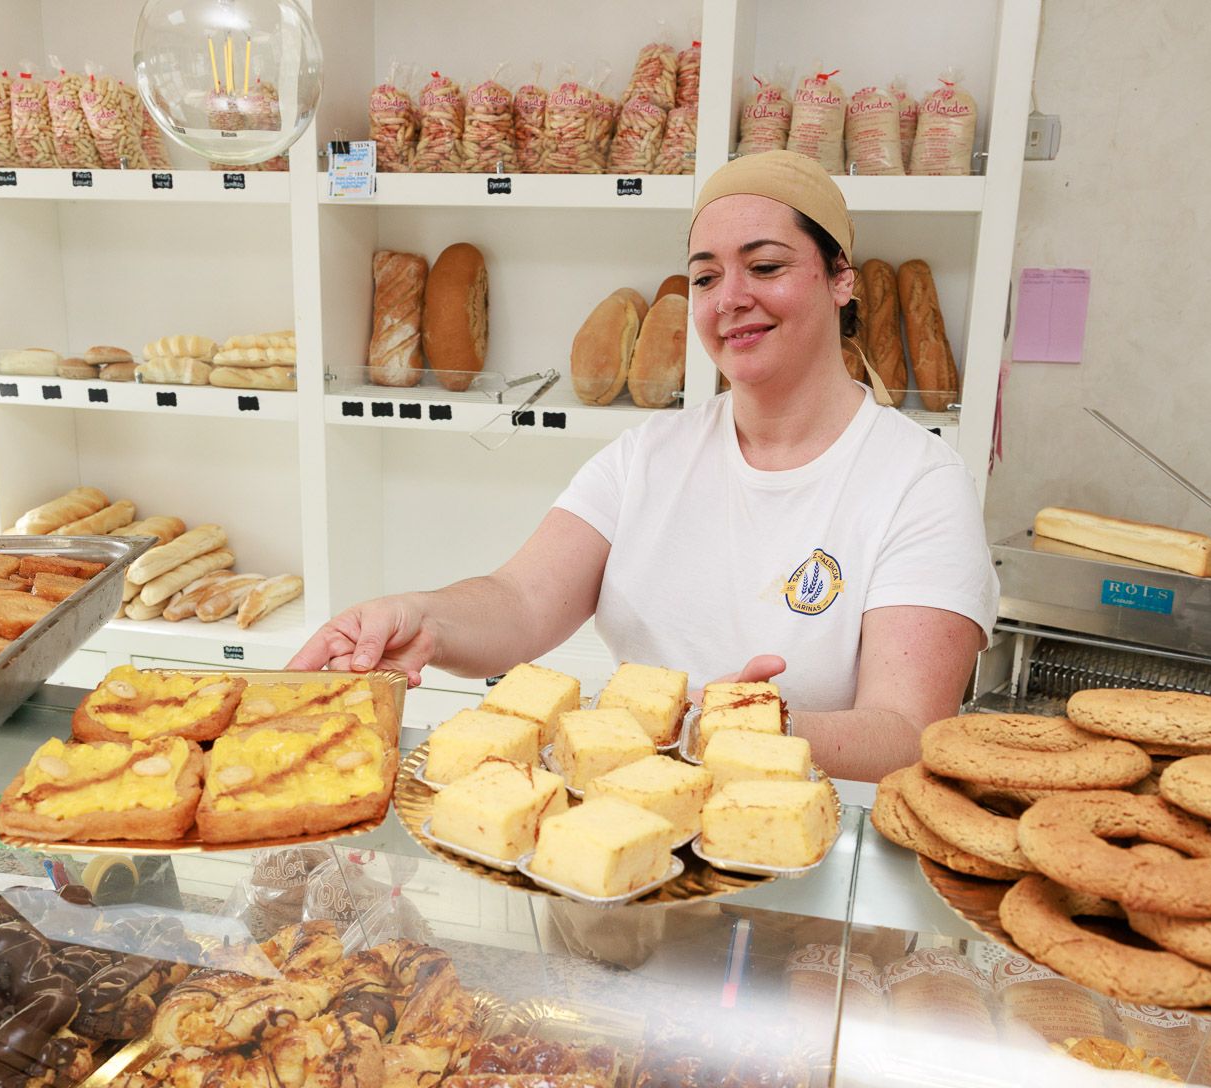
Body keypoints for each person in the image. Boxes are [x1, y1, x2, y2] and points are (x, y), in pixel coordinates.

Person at [290, 151, 998, 780]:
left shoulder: (918, 483)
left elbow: (907, 736)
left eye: (766, 266)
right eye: (706, 276)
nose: (731, 299)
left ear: (840, 279)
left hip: (804, 869)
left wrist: (745, 725)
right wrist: (424, 618)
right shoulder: (648, 456)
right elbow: (521, 599)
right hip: (613, 857)